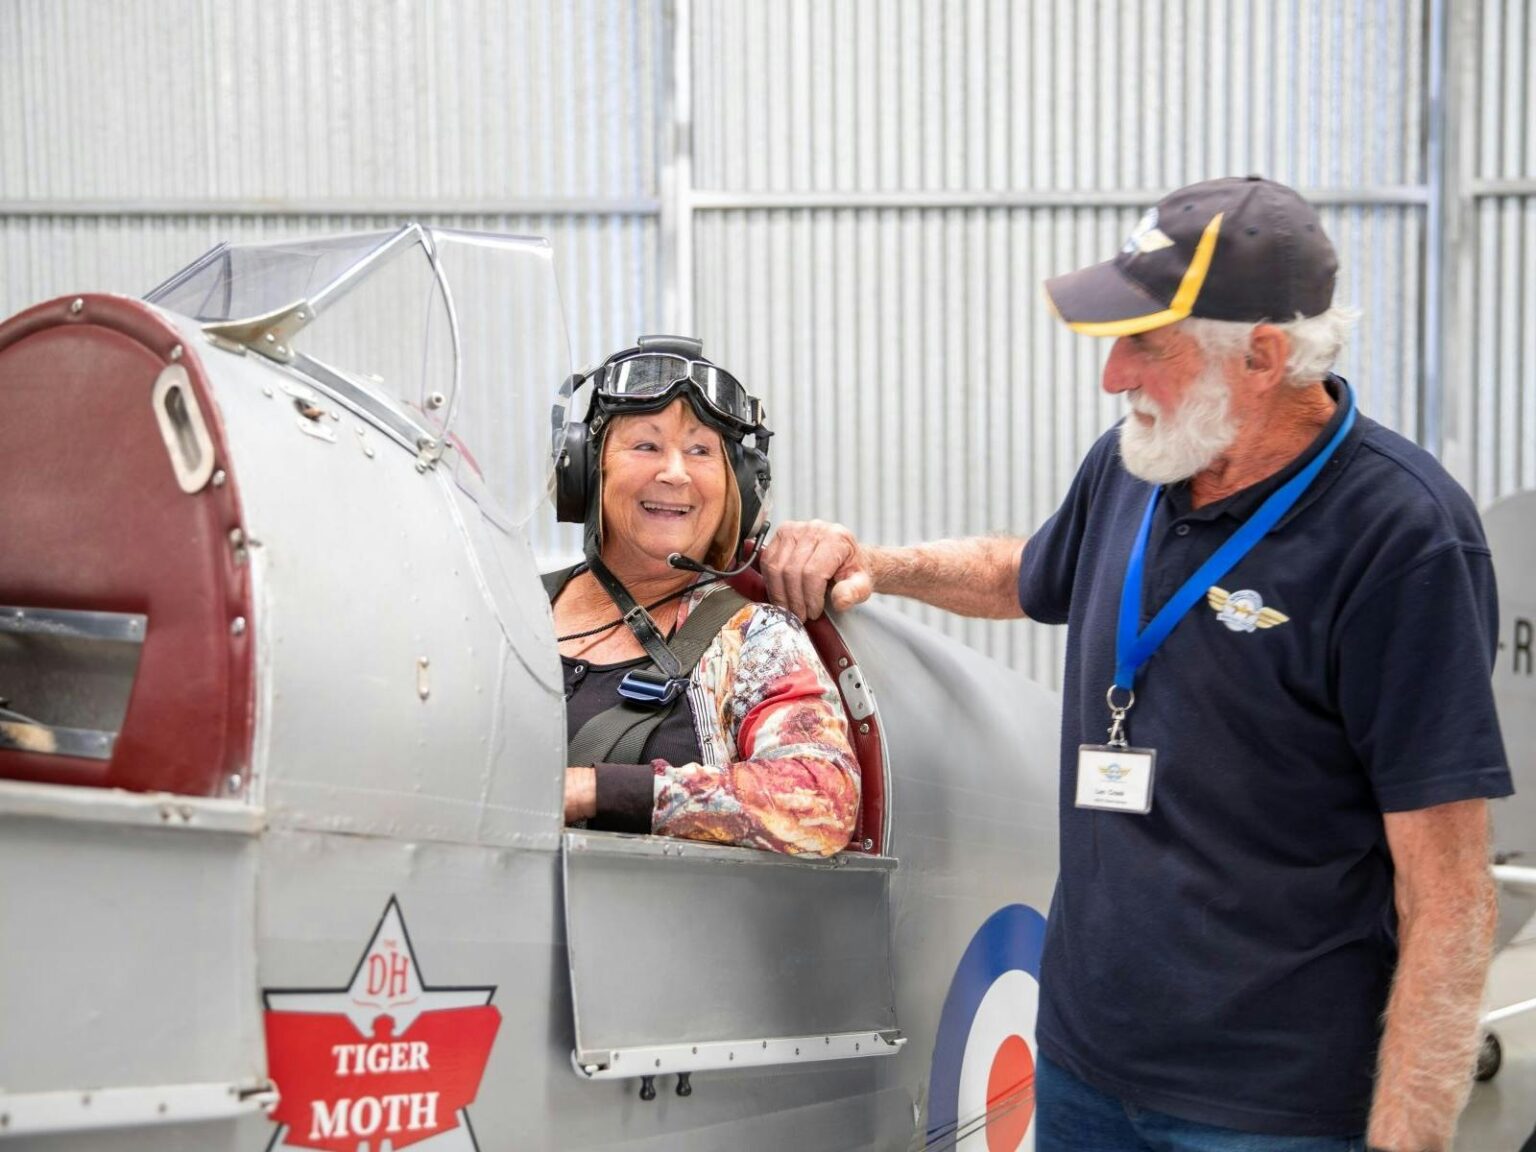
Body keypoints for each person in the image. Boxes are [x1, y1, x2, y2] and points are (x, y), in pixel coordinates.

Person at [760, 177, 1511, 1151]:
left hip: (1272, 1108)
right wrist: (880, 563)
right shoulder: (1137, 464)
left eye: (1147, 344)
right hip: (1083, 1068)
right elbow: (1025, 572)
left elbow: (1449, 893)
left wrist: (1408, 1139)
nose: (1113, 375)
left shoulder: (1403, 537)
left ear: (1263, 356)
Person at [546, 335, 859, 857]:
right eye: (646, 446)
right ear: (585, 467)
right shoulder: (510, 610)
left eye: (700, 451)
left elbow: (820, 799)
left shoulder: (755, 639)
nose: (675, 472)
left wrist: (595, 790)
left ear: (738, 487)